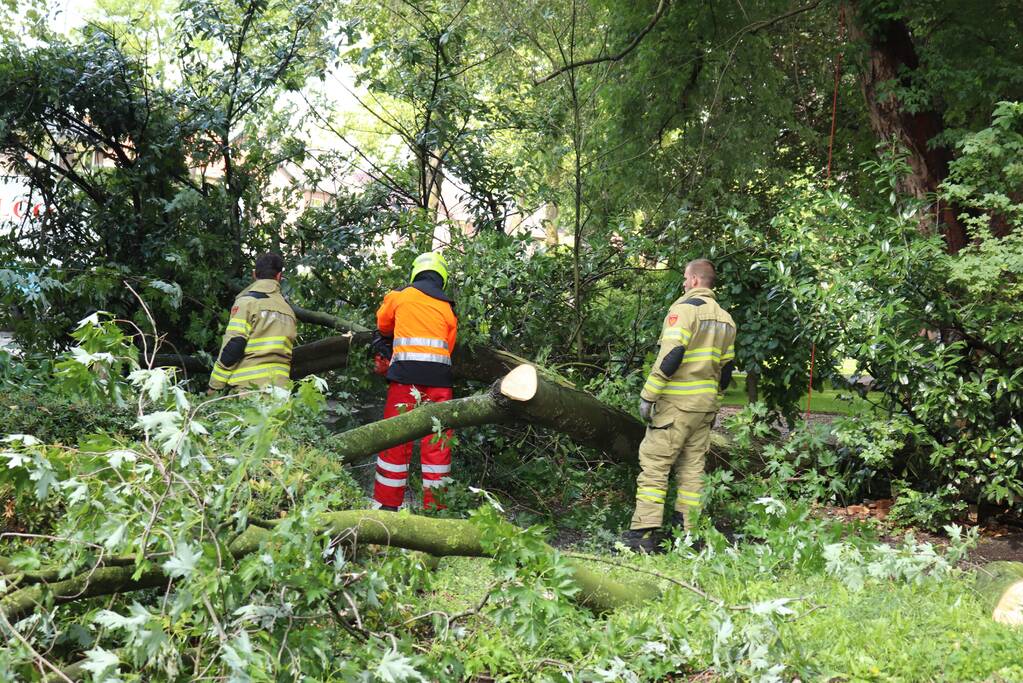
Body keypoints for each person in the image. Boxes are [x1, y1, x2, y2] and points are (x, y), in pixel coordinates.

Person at [622, 258, 737, 553]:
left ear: (695, 280)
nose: (684, 284)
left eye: (686, 279)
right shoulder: (726, 319)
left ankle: (643, 536)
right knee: (692, 471)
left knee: (655, 466)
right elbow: (726, 371)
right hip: (704, 407)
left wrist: (648, 395)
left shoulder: (684, 310)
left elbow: (671, 356)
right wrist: (716, 405)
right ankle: (686, 535)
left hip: (676, 405)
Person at [371, 252, 458, 511]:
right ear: (441, 278)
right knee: (438, 445)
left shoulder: (399, 297)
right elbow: (449, 349)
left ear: (415, 273)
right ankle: (436, 510)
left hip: (404, 380)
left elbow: (383, 325)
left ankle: (387, 505)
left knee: (396, 440)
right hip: (440, 382)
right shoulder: (448, 308)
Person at [208, 253, 297, 392]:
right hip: (280, 391)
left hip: (249, 392)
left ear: (254, 274)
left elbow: (234, 345)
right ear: (279, 276)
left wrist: (214, 385)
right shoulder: (289, 311)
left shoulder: (247, 302)